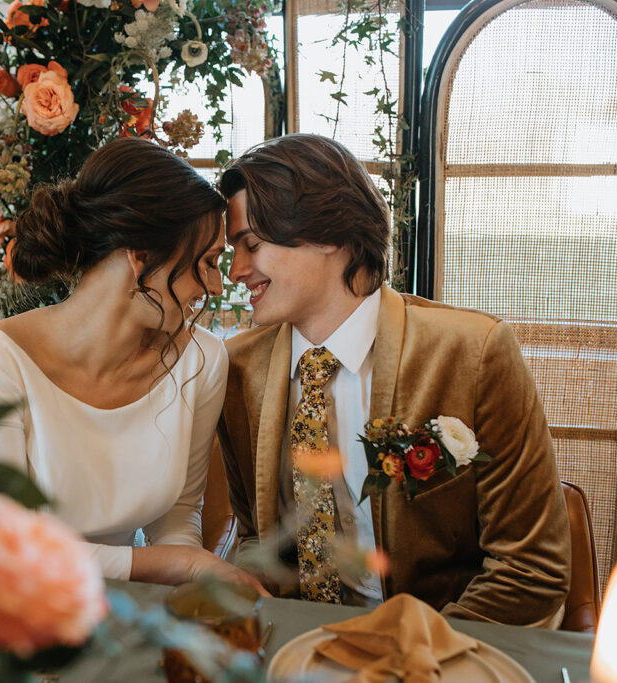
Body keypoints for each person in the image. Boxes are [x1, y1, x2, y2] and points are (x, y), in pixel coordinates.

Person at [215, 134, 569, 625]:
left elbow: (531, 569)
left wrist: (408, 654)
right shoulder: (235, 370)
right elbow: (256, 535)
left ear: (328, 234)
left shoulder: (473, 353)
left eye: (251, 244)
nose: (235, 270)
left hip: (438, 648)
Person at [0, 137, 265, 593]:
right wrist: (179, 567)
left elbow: (178, 517)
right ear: (140, 257)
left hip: (126, 617)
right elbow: (1, 547)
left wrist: (183, 600)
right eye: (208, 262)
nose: (216, 286)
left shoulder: (202, 360)